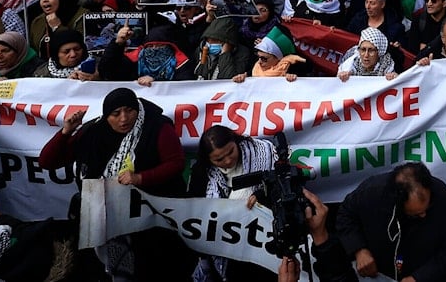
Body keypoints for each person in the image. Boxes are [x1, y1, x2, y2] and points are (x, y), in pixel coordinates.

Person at [38, 88, 191, 281]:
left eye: (129, 110)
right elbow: (47, 161)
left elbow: (175, 163)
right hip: (105, 215)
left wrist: (141, 178)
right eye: (116, 114)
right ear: (106, 115)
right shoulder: (93, 132)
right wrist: (66, 132)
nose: (124, 119)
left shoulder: (157, 127)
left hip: (151, 218)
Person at [336, 162, 446, 282]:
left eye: (427, 208)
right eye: (416, 214)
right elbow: (345, 216)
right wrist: (359, 249)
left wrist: (419, 277)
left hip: (427, 275)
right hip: (379, 273)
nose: (424, 215)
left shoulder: (443, 197)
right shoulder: (371, 192)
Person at [187, 125, 279, 281]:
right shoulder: (201, 174)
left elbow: (281, 184)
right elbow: (196, 210)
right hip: (228, 244)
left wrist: (262, 195)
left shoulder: (263, 152)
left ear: (236, 142)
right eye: (219, 159)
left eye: (231, 152)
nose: (228, 160)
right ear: (208, 159)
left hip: (264, 241)